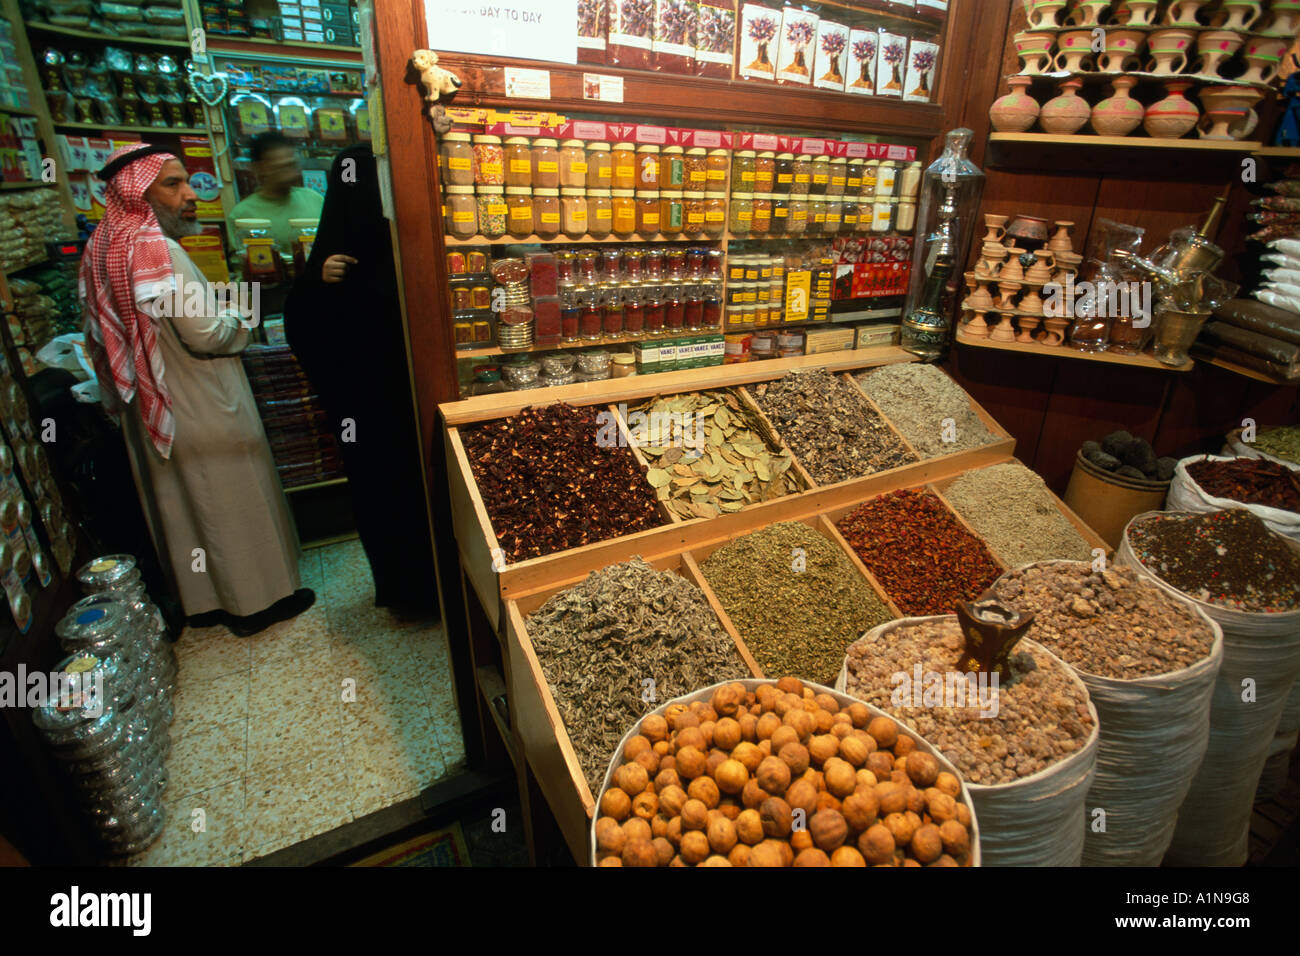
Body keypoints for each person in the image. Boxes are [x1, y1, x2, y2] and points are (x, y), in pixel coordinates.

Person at [78, 142, 314, 637]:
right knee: (228, 499)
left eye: (187, 182)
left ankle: (204, 603)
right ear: (139, 191)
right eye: (173, 184)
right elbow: (206, 332)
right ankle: (257, 603)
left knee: (181, 506)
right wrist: (239, 319)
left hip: (149, 403)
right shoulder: (157, 250)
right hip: (198, 398)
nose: (190, 195)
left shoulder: (103, 244)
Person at [284, 145, 437, 613]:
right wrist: (317, 284)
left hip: (420, 404)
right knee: (388, 494)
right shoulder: (336, 257)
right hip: (372, 410)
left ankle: (437, 590)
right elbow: (305, 328)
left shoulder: (416, 246)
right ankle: (410, 595)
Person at [229, 131, 324, 251]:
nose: (293, 171)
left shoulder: (314, 199)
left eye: (293, 164)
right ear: (260, 167)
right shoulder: (242, 214)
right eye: (283, 166)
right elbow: (240, 262)